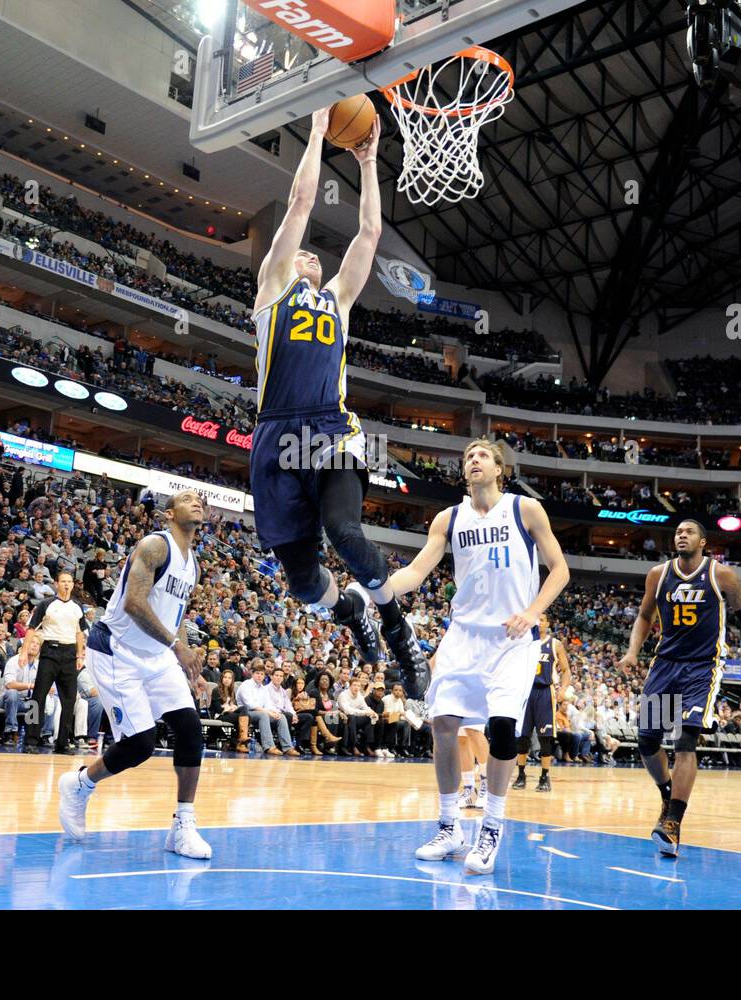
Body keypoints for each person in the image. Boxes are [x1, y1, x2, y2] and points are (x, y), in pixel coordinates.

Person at [248, 107, 427, 691]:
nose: (313, 257)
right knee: (302, 583)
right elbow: (300, 204)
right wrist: (317, 135)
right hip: (276, 434)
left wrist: (371, 163)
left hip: (329, 429)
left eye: (316, 258)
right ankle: (352, 614)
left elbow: (369, 234)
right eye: (304, 255)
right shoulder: (273, 294)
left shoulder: (338, 303)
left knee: (345, 533)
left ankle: (398, 629)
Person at [388, 438, 570, 873]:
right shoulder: (448, 518)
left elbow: (560, 569)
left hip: (511, 639)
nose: (473, 459)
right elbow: (416, 571)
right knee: (444, 724)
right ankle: (450, 826)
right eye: (468, 456)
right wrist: (376, 588)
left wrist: (532, 612)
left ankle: (491, 828)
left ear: (499, 468)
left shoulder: (525, 510)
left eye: (482, 454)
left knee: (504, 728)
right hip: (463, 636)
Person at [57, 490, 211, 858]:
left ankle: (182, 825)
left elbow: (176, 617)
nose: (197, 502)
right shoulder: (154, 546)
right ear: (170, 513)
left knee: (190, 731)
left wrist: (188, 664)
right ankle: (79, 784)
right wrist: (177, 645)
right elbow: (134, 603)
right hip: (117, 650)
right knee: (140, 744)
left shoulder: (194, 565)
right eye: (187, 498)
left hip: (157, 655)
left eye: (199, 500)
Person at [618, 519, 741, 857]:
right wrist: (632, 651)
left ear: (704, 542)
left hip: (702, 668)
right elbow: (644, 616)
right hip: (666, 666)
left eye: (689, 532)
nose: (681, 535)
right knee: (646, 741)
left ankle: (672, 823)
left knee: (685, 741)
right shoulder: (658, 574)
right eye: (678, 532)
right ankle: (666, 794)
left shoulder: (722, 576)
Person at [23, 570, 87, 755]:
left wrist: (80, 655)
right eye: (63, 581)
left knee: (69, 701)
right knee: (37, 698)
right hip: (50, 651)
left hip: (69, 654)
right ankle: (31, 740)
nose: (66, 584)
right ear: (56, 584)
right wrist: (25, 651)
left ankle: (63, 743)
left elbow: (80, 632)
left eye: (69, 581)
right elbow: (32, 628)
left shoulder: (77, 607)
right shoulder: (46, 604)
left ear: (72, 585)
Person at [513, 621, 568, 793]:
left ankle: (545, 777)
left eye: (543, 619)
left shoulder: (555, 644)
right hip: (525, 692)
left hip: (545, 693)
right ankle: (521, 775)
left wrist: (564, 688)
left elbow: (566, 670)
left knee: (545, 738)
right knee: (522, 737)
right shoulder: (525, 641)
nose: (540, 622)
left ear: (548, 623)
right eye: (538, 619)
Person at [210, 667, 250, 753]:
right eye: (225, 677)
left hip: (229, 714)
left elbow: (233, 705)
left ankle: (240, 741)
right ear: (221, 678)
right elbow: (218, 709)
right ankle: (240, 741)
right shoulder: (216, 690)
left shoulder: (232, 692)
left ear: (232, 680)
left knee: (244, 711)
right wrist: (229, 708)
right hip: (220, 715)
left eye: (229, 678)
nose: (227, 680)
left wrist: (234, 707)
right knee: (242, 717)